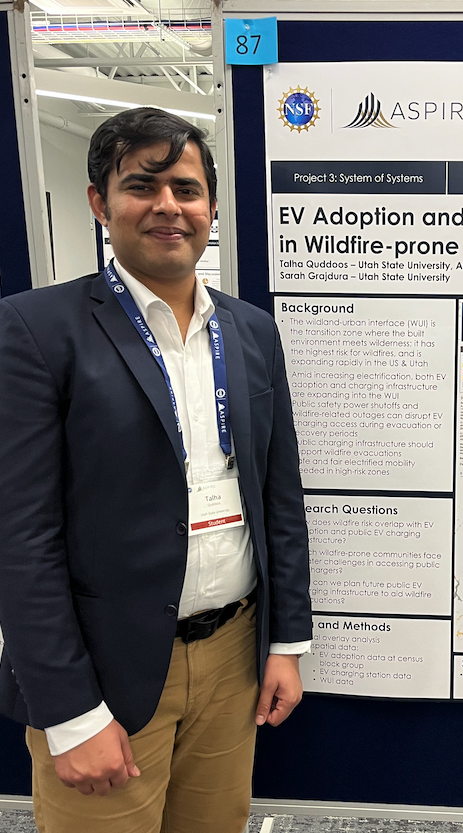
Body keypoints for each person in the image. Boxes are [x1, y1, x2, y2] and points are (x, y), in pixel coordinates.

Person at [0, 107, 312, 833]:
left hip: (233, 652)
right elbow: (19, 536)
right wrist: (70, 712)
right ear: (98, 202)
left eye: (186, 187)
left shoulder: (252, 331)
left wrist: (285, 642)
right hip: (105, 668)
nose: (169, 205)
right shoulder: (36, 329)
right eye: (142, 185)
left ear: (210, 207)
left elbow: (278, 493)